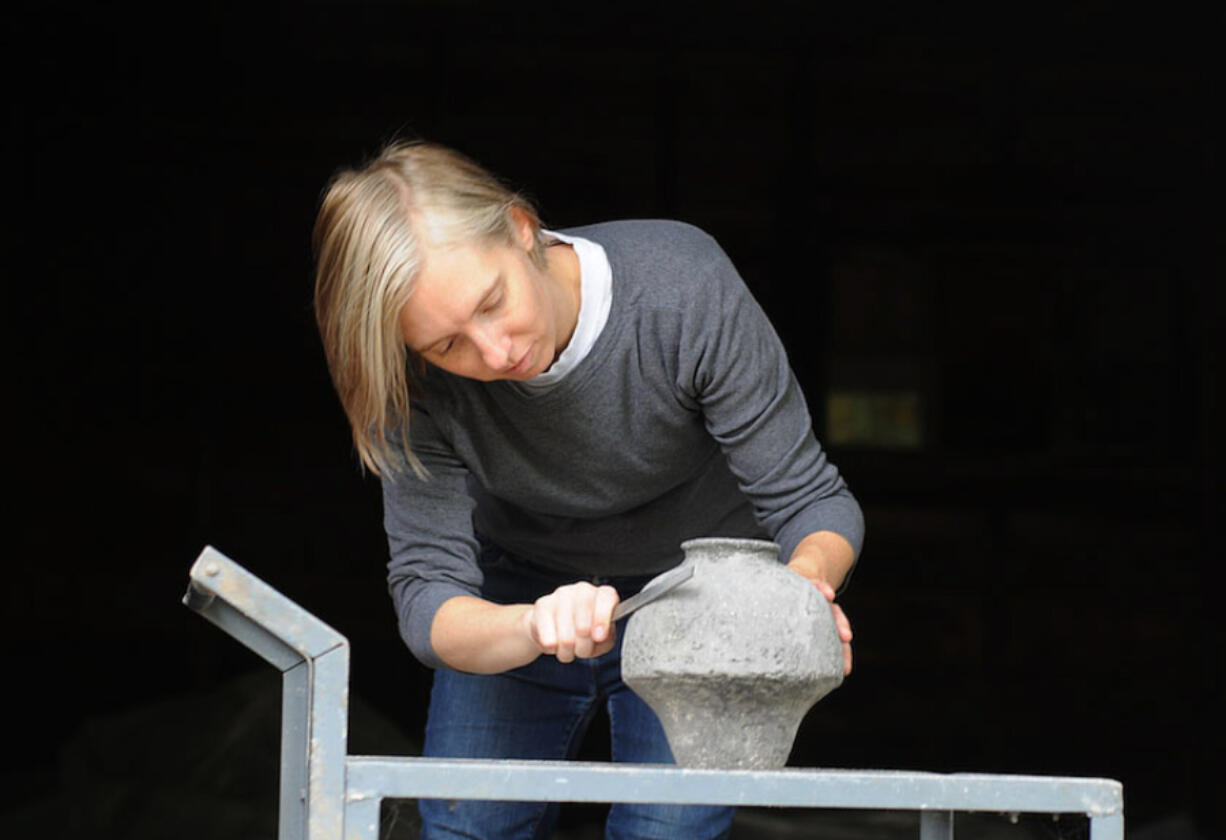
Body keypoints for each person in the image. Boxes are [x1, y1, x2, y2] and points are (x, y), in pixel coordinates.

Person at [312, 140, 864, 840]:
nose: (495, 352)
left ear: (521, 229)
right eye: (447, 345)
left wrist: (799, 591)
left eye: (493, 302)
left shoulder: (680, 288)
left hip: (700, 595)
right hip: (520, 588)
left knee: (670, 831)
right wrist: (532, 624)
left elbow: (813, 504)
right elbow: (429, 601)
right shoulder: (410, 383)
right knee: (469, 824)